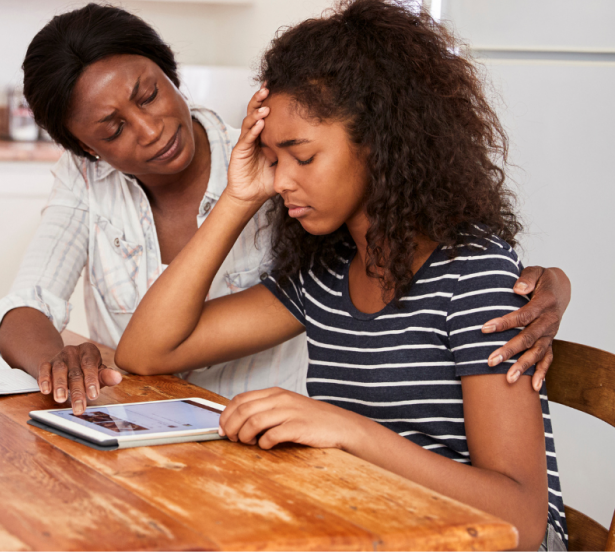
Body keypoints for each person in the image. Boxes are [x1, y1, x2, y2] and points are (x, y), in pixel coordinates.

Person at [116, 1, 566, 549]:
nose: (280, 182)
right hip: (381, 527)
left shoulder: (472, 275)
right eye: (272, 159)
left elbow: (522, 518)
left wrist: (345, 430)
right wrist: (237, 198)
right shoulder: (325, 274)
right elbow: (146, 352)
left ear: (378, 143)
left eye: (301, 157)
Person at [0, 3, 572, 416]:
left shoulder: (285, 164)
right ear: (89, 148)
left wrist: (547, 284)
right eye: (113, 129)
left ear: (169, 72)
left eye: (150, 94)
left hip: (275, 445)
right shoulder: (91, 182)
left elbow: (423, 245)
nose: (151, 128)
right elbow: (43, 309)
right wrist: (59, 363)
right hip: (163, 437)